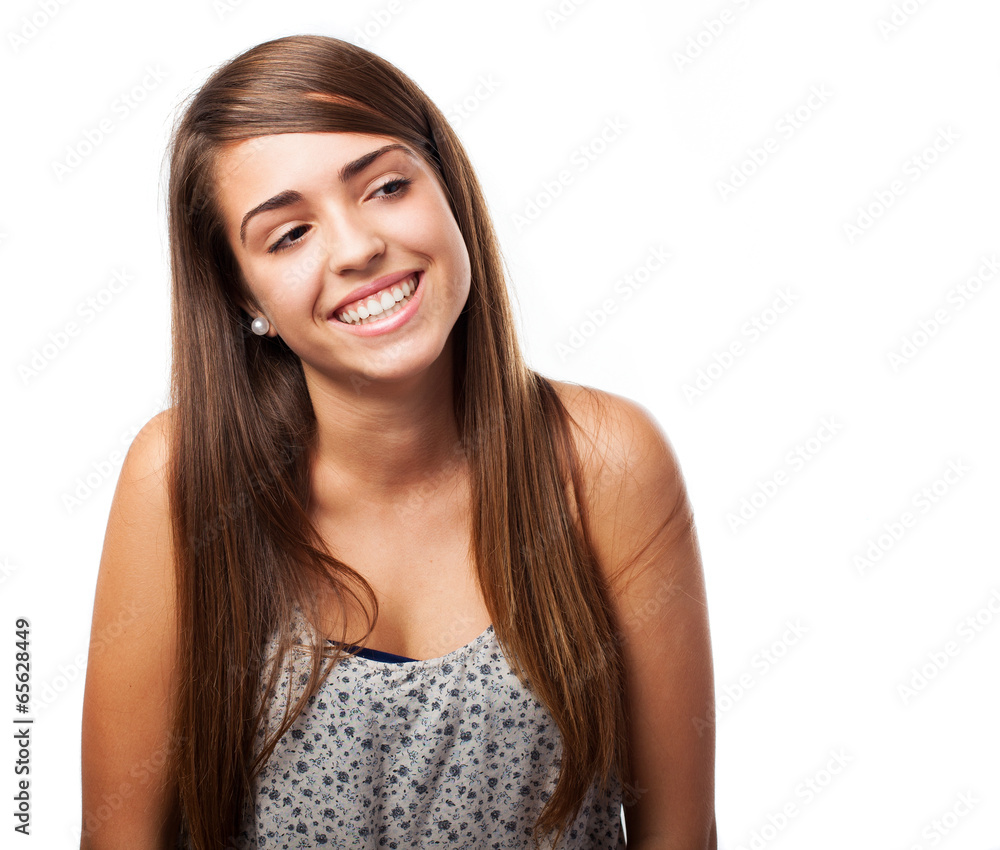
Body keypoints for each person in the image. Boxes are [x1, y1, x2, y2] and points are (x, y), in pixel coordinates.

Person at [79, 34, 717, 850]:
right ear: (245, 297)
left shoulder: (606, 463)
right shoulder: (180, 481)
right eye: (288, 235)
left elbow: (681, 837)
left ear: (447, 188)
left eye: (384, 187)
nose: (356, 248)